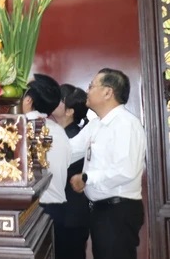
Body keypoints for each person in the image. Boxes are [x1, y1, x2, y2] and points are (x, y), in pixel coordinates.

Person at [69, 68, 146, 259]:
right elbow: (70, 150)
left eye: (91, 86)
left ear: (107, 92)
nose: (87, 91)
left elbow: (125, 170)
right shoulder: (96, 125)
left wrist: (86, 178)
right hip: (101, 210)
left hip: (118, 211)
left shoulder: (126, 124)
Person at [21, 74, 71, 224]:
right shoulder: (59, 131)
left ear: (28, 100)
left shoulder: (21, 130)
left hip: (33, 210)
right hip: (59, 210)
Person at [50, 84, 90, 259]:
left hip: (70, 215)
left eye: (59, 99)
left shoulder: (74, 137)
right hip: (61, 213)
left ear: (69, 111)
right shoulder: (59, 133)